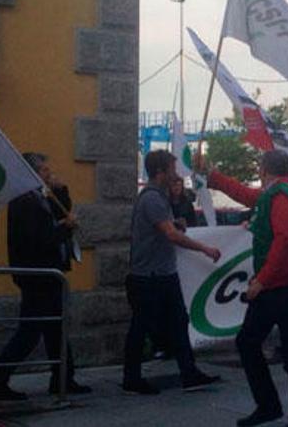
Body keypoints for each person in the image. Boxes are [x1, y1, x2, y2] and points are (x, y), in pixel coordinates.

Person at [198, 149, 288, 427]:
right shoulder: (278, 193)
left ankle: (274, 407)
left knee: (254, 343)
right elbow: (245, 195)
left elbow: (284, 240)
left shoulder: (280, 195)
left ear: (264, 170)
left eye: (259, 169)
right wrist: (211, 176)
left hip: (280, 286)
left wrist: (261, 281)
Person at [0, 153, 91, 401]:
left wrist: (61, 190)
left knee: (56, 329)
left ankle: (62, 378)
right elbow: (39, 239)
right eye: (43, 170)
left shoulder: (38, 197)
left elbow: (58, 210)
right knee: (29, 332)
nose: (48, 174)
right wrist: (65, 228)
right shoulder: (24, 201)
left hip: (48, 274)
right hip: (37, 275)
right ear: (30, 173)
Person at [122, 150, 222, 395]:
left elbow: (165, 228)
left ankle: (189, 373)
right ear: (161, 172)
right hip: (149, 276)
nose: (176, 174)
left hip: (161, 273)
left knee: (178, 323)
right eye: (172, 169)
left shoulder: (159, 197)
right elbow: (170, 235)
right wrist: (204, 248)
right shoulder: (153, 199)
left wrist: (175, 224)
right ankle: (131, 379)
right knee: (142, 326)